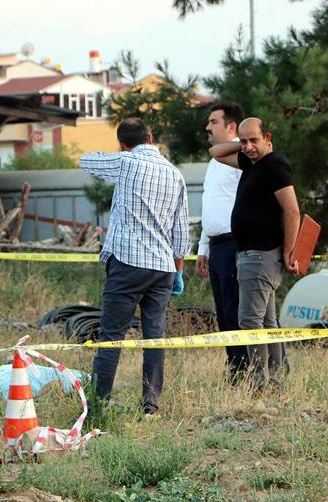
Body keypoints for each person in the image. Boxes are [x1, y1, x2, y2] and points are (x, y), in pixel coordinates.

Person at [79, 118, 190, 417]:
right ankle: (150, 406)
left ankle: (97, 408)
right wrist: (177, 270)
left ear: (122, 144)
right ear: (151, 138)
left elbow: (86, 160)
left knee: (112, 336)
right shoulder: (174, 174)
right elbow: (181, 232)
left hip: (128, 263)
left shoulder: (125, 163)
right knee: (155, 336)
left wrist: (119, 156)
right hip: (163, 267)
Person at [209, 117, 300, 395]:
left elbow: (292, 211)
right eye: (244, 140)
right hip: (250, 254)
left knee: (250, 321)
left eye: (254, 140)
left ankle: (259, 384)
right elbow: (215, 152)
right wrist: (242, 143)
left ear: (268, 138)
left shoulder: (274, 166)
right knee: (267, 322)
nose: (248, 146)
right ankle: (274, 384)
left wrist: (288, 252)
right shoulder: (252, 163)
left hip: (261, 255)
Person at [197, 101, 249, 381]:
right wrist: (203, 247)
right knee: (223, 314)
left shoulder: (243, 156)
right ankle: (236, 368)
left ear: (231, 127)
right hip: (216, 245)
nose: (207, 127)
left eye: (213, 122)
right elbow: (211, 205)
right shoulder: (213, 163)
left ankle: (249, 370)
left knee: (238, 310)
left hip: (234, 243)